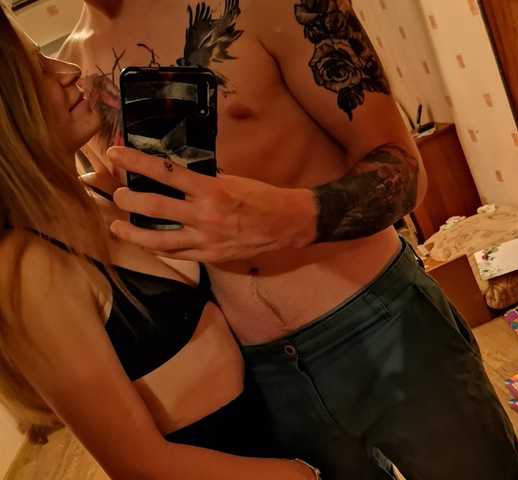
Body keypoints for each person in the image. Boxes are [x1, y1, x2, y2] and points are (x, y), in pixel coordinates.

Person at [61, 0, 518, 478]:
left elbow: (404, 169)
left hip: (382, 318)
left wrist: (289, 218)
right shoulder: (74, 72)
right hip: (259, 376)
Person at [0, 6, 319, 479]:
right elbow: (141, 465)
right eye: (38, 71)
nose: (67, 71)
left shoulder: (98, 192)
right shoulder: (28, 268)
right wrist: (300, 476)